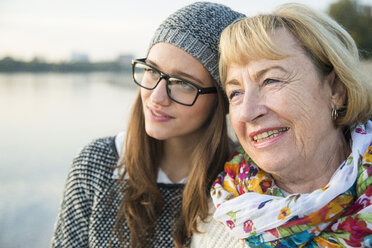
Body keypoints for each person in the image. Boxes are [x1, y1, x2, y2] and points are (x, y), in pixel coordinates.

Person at [51, 2, 245, 248]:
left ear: (222, 99)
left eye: (183, 83)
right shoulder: (97, 164)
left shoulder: (240, 186)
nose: (156, 97)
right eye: (152, 71)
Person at [210, 3, 372, 248]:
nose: (247, 112)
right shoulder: (214, 226)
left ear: (336, 90)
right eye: (235, 93)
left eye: (271, 80)